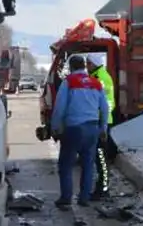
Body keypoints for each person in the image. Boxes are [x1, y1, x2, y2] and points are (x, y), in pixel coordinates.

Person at [49, 54, 109, 209]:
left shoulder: (69, 82)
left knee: (66, 164)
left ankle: (66, 197)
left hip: (74, 128)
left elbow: (60, 107)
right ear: (84, 66)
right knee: (88, 165)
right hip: (92, 128)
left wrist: (55, 128)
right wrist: (103, 128)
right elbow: (104, 107)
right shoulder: (96, 83)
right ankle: (84, 197)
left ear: (72, 67)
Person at [86, 52, 115, 198]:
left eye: (88, 63)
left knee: (101, 156)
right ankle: (102, 186)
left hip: (101, 123)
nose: (86, 66)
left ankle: (103, 188)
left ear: (93, 64)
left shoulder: (100, 78)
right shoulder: (99, 76)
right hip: (100, 121)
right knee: (98, 156)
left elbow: (105, 103)